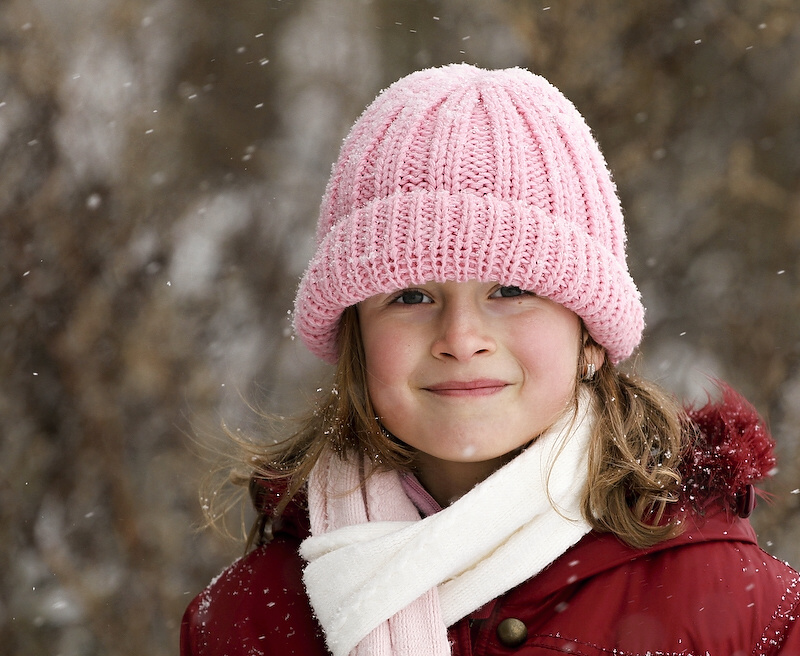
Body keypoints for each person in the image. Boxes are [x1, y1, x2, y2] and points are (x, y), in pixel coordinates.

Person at [180, 64, 800, 655]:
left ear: (589, 336)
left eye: (509, 292)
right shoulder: (247, 620)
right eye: (412, 296)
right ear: (356, 339)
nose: (461, 336)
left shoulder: (739, 613)